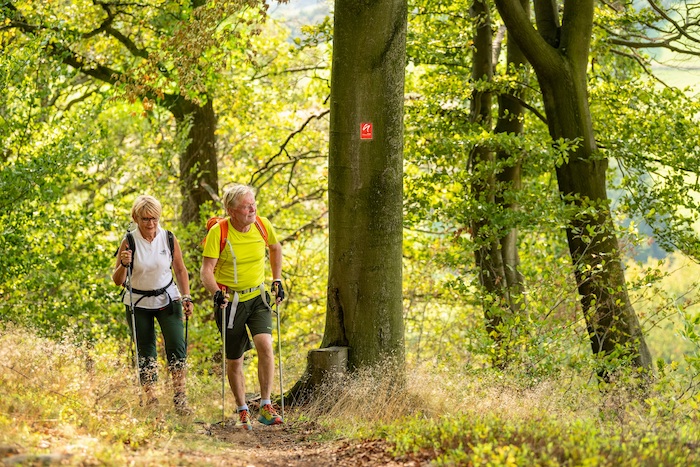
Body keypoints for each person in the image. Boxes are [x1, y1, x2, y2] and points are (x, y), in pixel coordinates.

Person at [201, 184, 285, 430]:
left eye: (253, 203)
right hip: (230, 301)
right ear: (231, 210)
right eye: (246, 205)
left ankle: (266, 406)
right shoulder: (219, 232)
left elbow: (275, 248)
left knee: (265, 345)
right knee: (235, 359)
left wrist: (277, 279)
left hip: (258, 296)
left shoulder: (262, 224)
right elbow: (206, 270)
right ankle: (242, 410)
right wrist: (216, 293)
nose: (252, 209)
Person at [112, 195, 194, 415]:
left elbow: (180, 270)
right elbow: (118, 280)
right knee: (146, 352)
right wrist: (123, 263)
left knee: (177, 347)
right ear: (136, 218)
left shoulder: (168, 238)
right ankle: (152, 401)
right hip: (138, 303)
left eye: (154, 218)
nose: (151, 224)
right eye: (146, 219)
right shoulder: (129, 240)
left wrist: (186, 297)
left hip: (168, 299)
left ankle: (180, 398)